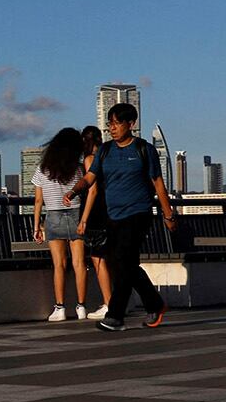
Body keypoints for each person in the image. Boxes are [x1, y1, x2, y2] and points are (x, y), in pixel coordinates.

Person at [72, 103, 176, 332]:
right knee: (125, 264)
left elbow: (158, 183)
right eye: (110, 124)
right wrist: (73, 190)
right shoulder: (106, 151)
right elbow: (90, 177)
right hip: (113, 216)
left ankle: (115, 316)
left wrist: (168, 214)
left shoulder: (143, 149)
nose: (112, 128)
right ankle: (155, 304)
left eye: (117, 123)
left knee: (122, 260)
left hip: (138, 213)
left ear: (131, 124)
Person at [30, 127, 90, 321]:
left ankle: (60, 308)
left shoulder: (43, 169)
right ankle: (81, 307)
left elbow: (38, 201)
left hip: (53, 216)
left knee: (59, 265)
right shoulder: (79, 168)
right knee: (79, 263)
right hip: (76, 215)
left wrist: (36, 226)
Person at [77, 125, 112, 316]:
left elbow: (93, 189)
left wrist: (83, 219)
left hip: (96, 212)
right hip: (111, 210)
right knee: (109, 257)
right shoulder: (108, 156)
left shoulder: (91, 159)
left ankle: (108, 303)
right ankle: (113, 301)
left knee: (98, 258)